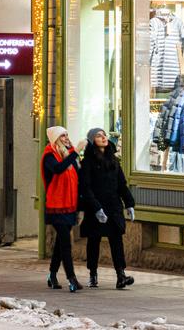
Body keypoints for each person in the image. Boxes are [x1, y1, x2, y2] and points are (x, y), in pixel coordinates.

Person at [79, 127, 136, 290]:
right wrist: (96, 208)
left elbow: (122, 184)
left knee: (116, 240)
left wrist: (129, 203)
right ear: (92, 141)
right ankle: (93, 274)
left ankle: (121, 275)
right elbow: (86, 188)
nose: (103, 137)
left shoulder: (113, 160)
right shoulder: (88, 162)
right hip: (96, 207)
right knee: (94, 241)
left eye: (104, 135)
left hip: (113, 206)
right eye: (98, 136)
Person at [41, 125, 85, 292]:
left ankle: (52, 275)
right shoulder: (49, 156)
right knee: (66, 242)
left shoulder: (68, 154)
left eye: (67, 135)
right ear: (55, 139)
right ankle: (71, 278)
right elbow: (58, 169)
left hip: (69, 205)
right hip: (56, 206)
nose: (67, 138)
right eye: (63, 136)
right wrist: (76, 152)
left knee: (61, 242)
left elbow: (77, 179)